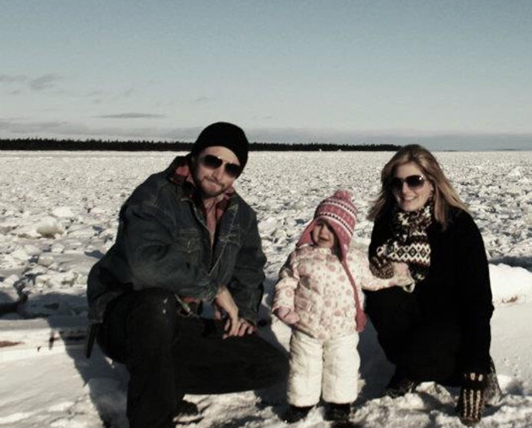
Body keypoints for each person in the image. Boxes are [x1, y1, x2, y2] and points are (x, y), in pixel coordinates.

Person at [86, 122, 289, 428]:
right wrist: (215, 290)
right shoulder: (155, 195)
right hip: (124, 320)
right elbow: (145, 265)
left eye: (231, 168)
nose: (219, 173)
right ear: (194, 156)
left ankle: (161, 386)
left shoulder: (241, 215)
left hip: (179, 323)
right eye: (212, 161)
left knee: (269, 365)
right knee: (157, 303)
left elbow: (249, 269)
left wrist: (244, 316)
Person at [364, 145, 500, 426]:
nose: (405, 189)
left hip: (450, 322)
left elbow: (478, 301)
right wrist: (382, 272)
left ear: (433, 183)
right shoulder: (386, 223)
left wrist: (476, 369)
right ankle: (409, 367)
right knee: (380, 298)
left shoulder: (458, 225)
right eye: (397, 182)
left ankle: (473, 366)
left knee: (428, 357)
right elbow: (374, 285)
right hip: (413, 315)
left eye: (415, 181)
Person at [272, 190, 412, 425]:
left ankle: (340, 404)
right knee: (303, 366)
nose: (323, 232)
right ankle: (301, 404)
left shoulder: (354, 258)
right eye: (319, 225)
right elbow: (286, 283)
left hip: (342, 327)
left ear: (343, 231)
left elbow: (373, 279)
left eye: (331, 227)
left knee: (342, 365)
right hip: (306, 324)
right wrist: (284, 306)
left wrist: (398, 275)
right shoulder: (300, 256)